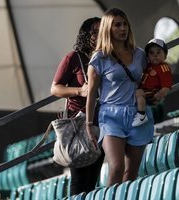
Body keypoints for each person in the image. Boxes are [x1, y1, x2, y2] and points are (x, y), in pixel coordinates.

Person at [86, 8, 154, 187]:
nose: (123, 28)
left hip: (137, 115)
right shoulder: (99, 57)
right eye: (117, 25)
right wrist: (88, 124)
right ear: (108, 28)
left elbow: (150, 80)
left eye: (124, 24)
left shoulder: (139, 54)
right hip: (110, 116)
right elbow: (92, 94)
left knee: (131, 173)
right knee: (116, 167)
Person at [51, 17, 104, 195]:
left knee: (93, 180)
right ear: (86, 35)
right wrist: (79, 91)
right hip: (80, 124)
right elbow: (55, 88)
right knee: (80, 179)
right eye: (94, 32)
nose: (99, 35)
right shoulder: (74, 58)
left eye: (102, 30)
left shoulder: (108, 57)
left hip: (102, 122)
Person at [132, 38, 173, 127]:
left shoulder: (163, 68)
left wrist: (159, 94)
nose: (155, 55)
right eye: (151, 53)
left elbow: (167, 85)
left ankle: (141, 115)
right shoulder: (148, 66)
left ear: (165, 55)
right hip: (145, 91)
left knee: (138, 94)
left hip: (152, 92)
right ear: (147, 57)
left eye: (158, 52)